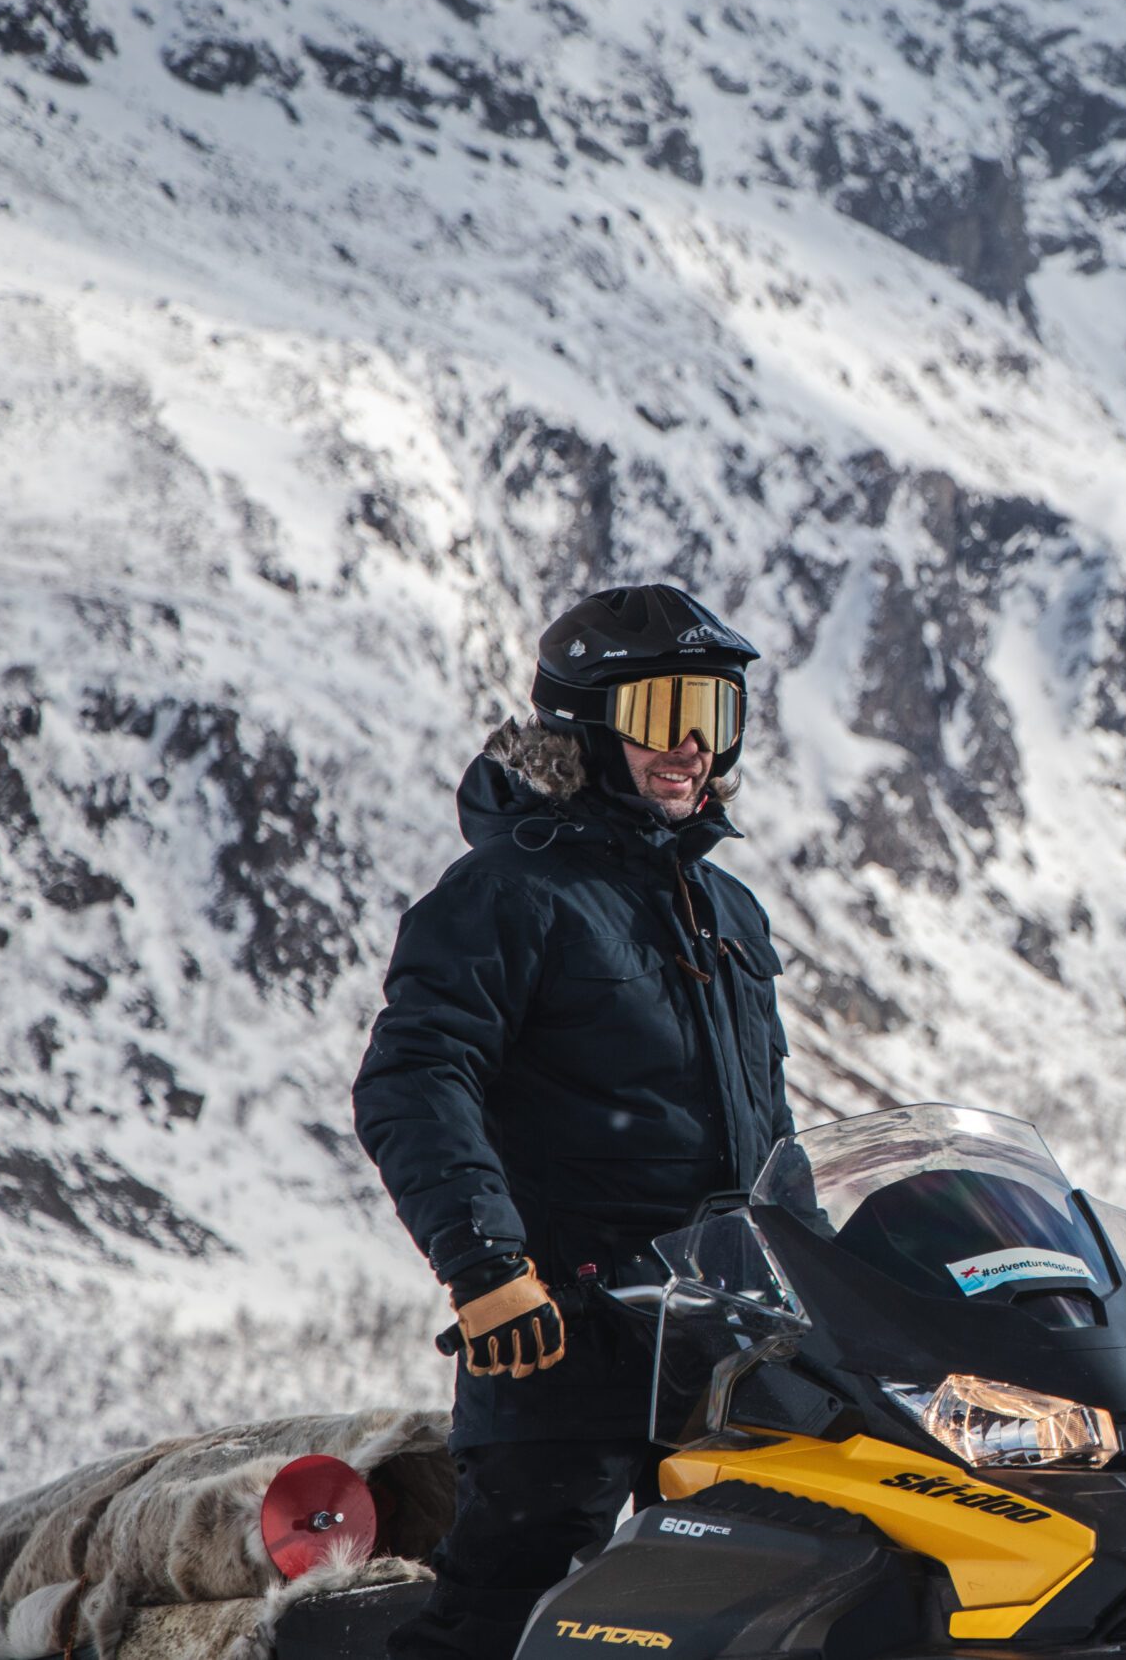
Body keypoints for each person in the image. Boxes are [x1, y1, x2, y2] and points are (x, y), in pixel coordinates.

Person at [352, 585, 792, 1660]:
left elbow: (768, 1130)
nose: (692, 743)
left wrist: (814, 1273)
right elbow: (416, 1075)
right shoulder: (510, 891)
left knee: (766, 1606)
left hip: (725, 1344)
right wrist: (487, 1269)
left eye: (716, 711)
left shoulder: (726, 909)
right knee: (511, 1617)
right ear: (585, 725)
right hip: (563, 1340)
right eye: (662, 712)